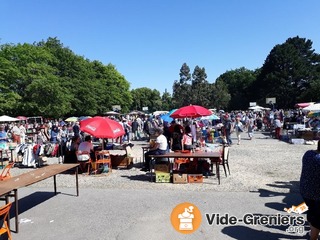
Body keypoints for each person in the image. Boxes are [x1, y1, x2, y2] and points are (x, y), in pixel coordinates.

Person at [300, 141, 320, 240]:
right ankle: (313, 237)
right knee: (317, 219)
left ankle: (312, 231)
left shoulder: (308, 154)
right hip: (317, 194)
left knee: (312, 212)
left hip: (306, 191)